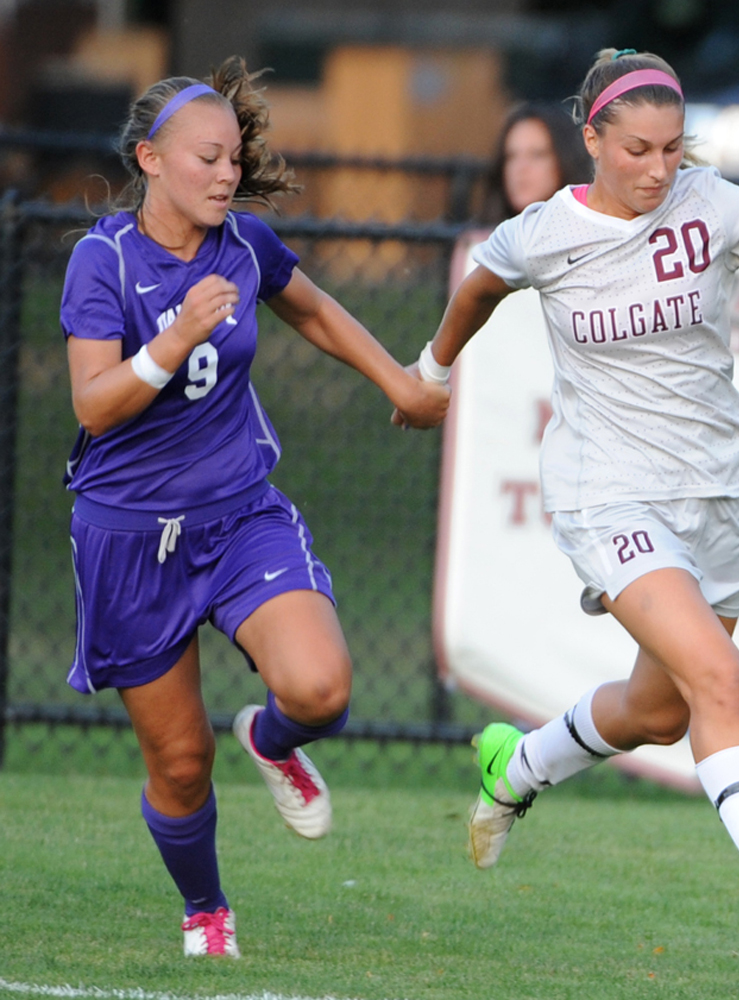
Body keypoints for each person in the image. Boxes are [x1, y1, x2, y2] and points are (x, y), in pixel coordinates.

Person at [408, 47, 739, 945]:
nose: (659, 169)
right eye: (638, 150)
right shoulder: (543, 232)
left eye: (672, 149)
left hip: (725, 495)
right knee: (720, 681)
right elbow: (481, 288)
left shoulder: (712, 204)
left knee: (658, 712)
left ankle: (518, 765)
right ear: (594, 140)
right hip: (607, 495)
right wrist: (429, 370)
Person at [60, 57, 450, 958]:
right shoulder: (102, 260)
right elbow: (93, 404)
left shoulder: (242, 245)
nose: (227, 175)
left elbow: (310, 308)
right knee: (181, 763)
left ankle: (272, 741)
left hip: (239, 515)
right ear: (150, 159)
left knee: (321, 688)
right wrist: (178, 336)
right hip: (128, 539)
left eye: (235, 159)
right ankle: (206, 910)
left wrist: (399, 379)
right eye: (208, 159)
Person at [478, 101, 592, 224]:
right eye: (511, 156)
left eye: (537, 155)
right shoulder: (481, 239)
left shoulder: (593, 235)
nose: (521, 168)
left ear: (565, 159)